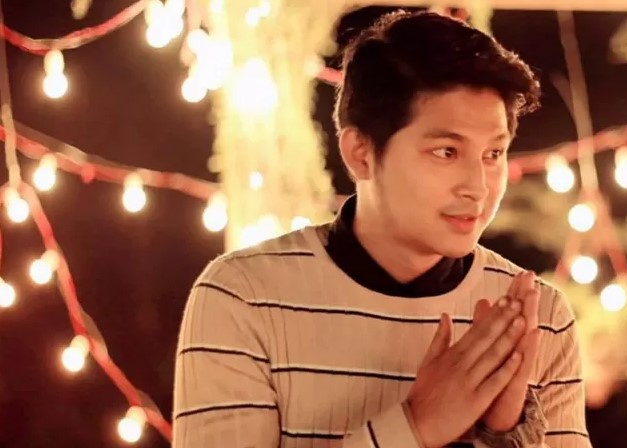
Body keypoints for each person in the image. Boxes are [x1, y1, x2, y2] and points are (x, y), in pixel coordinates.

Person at [173, 10, 591, 448]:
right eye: (446, 152)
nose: (478, 187)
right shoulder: (244, 296)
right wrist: (416, 426)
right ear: (361, 153)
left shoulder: (539, 318)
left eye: (493, 154)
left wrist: (506, 434)